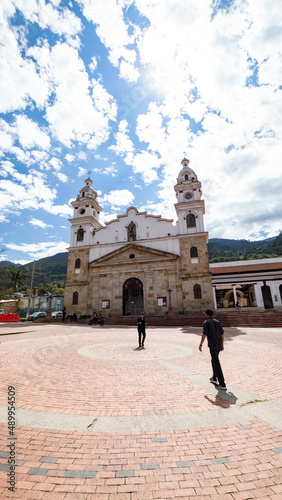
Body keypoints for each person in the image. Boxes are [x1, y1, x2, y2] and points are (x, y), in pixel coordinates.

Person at [199, 309, 227, 390]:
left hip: (213, 345)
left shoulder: (206, 323)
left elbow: (204, 334)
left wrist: (200, 344)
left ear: (206, 314)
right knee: (213, 360)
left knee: (216, 362)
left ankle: (222, 383)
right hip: (218, 344)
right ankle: (214, 378)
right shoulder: (217, 322)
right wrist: (222, 344)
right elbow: (222, 334)